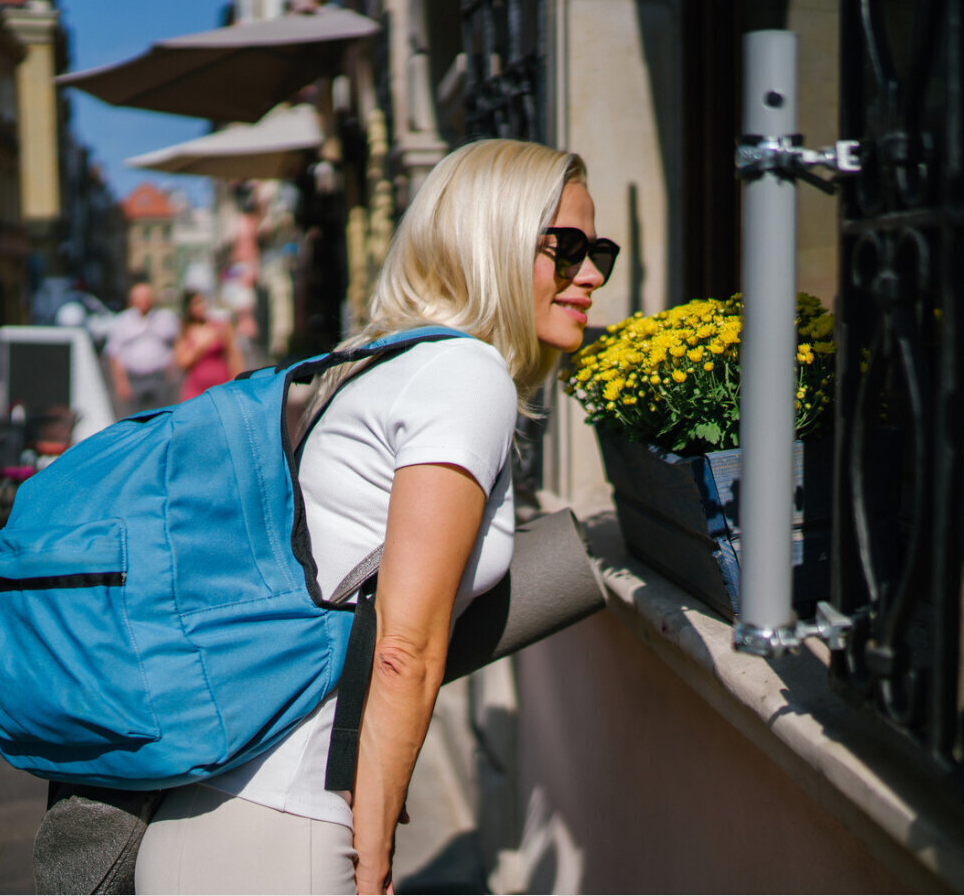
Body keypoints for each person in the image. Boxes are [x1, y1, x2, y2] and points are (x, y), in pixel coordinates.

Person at [134, 138, 619, 895]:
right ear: (490, 241)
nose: (590, 274)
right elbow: (403, 649)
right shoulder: (467, 375)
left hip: (232, 805)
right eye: (567, 248)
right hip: (283, 829)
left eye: (601, 252)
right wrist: (373, 866)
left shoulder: (386, 360)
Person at [105, 282, 180, 418]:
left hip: (159, 377)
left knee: (162, 418)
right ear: (132, 300)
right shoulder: (122, 321)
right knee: (135, 420)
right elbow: (114, 353)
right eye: (139, 297)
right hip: (133, 379)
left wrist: (173, 370)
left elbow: (176, 345)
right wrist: (120, 382)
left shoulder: (166, 318)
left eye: (146, 296)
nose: (143, 301)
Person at [174, 290, 246, 402]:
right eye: (194, 304)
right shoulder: (185, 332)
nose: (199, 307)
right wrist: (201, 345)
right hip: (196, 389)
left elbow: (233, 353)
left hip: (221, 384)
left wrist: (237, 377)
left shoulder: (219, 326)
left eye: (201, 302)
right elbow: (183, 362)